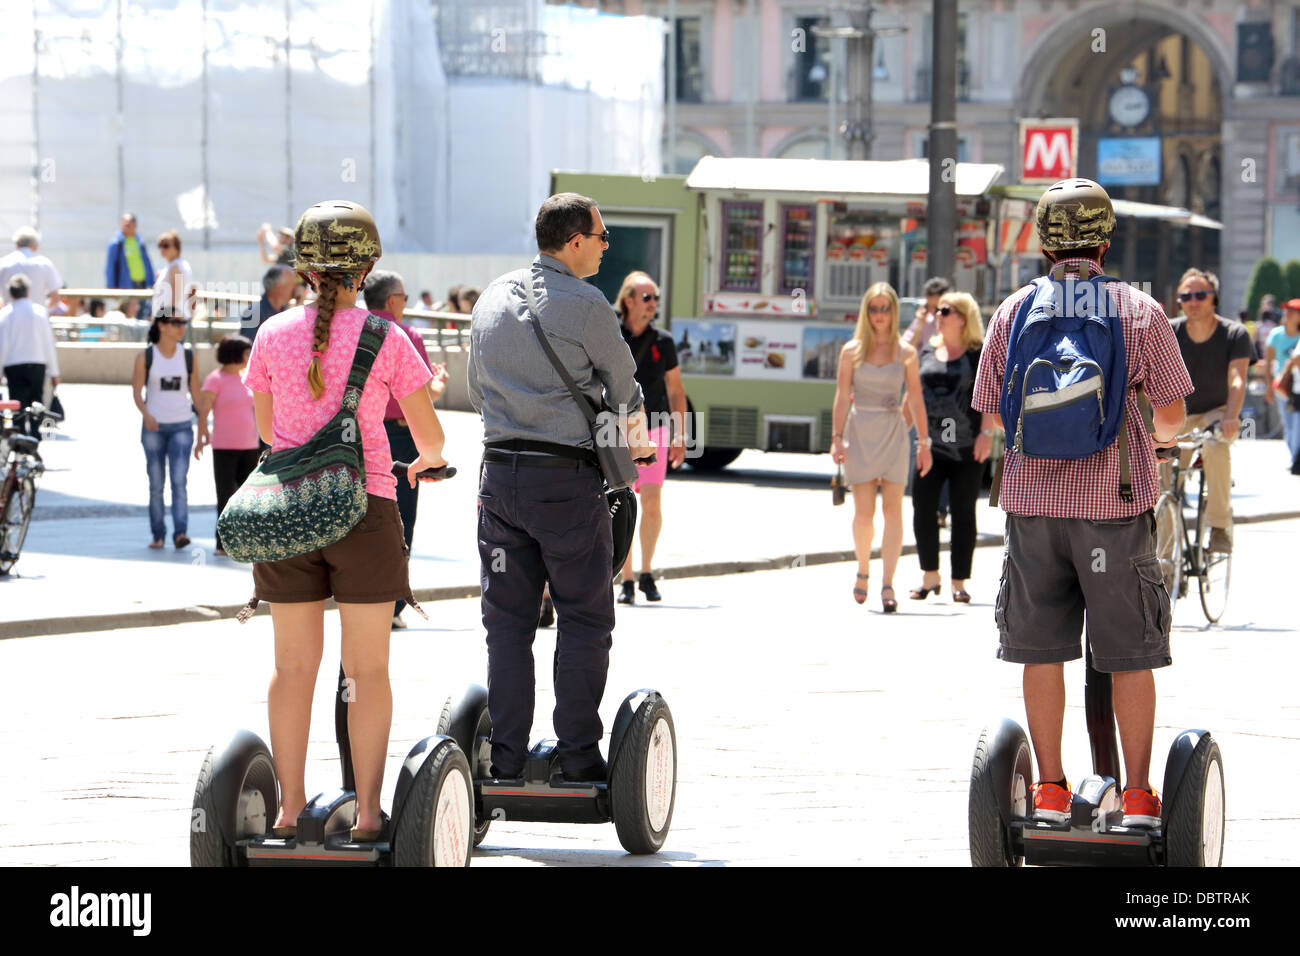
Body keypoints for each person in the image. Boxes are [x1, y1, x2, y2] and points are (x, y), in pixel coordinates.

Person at [972, 178, 1192, 830]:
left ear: (1042, 240)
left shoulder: (1013, 311)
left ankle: (1047, 789)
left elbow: (988, 420)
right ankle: (1141, 799)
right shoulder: (1137, 310)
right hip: (1114, 506)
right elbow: (1174, 416)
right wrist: (1152, 436)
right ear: (1107, 235)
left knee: (1041, 649)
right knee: (1130, 652)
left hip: (1033, 508)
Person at [245, 200, 445, 841]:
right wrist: (429, 462)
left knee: (292, 667)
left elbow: (268, 431)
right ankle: (365, 814)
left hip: (288, 515)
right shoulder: (388, 337)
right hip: (365, 509)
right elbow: (428, 434)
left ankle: (287, 807)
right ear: (368, 266)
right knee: (365, 672)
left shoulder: (272, 333)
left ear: (303, 266)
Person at [467, 192, 655, 783]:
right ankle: (576, 755)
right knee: (583, 617)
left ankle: (504, 759)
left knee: (507, 625)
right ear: (575, 241)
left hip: (498, 476)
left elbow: (476, 389)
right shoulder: (588, 303)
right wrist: (639, 449)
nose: (606, 246)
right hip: (565, 481)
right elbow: (624, 392)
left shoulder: (491, 297)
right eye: (602, 237)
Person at [830, 281, 931, 612]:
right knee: (863, 513)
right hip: (859, 431)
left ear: (893, 311)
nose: (879, 315)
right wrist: (836, 438)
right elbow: (842, 397)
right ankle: (863, 570)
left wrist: (925, 442)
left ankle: (888, 583)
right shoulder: (851, 351)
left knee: (893, 511)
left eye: (885, 308)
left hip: (893, 431)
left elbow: (915, 398)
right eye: (873, 308)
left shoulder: (906, 352)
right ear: (866, 312)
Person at [362, 268, 449, 629]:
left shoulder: (354, 329)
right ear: (393, 300)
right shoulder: (405, 334)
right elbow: (424, 395)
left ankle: (360, 592)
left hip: (360, 434)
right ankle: (393, 602)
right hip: (398, 437)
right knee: (401, 518)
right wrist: (441, 383)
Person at [909, 291, 995, 604]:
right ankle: (930, 576)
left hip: (967, 446)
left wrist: (987, 432)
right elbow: (914, 397)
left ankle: (959, 581)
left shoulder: (978, 354)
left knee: (962, 511)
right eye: (937, 310)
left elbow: (988, 393)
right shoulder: (927, 353)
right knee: (922, 507)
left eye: (945, 310)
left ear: (963, 317)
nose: (938, 315)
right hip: (930, 447)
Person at [1164, 268, 1251, 553]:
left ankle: (1218, 527)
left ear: (1214, 298)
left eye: (1201, 295)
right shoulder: (1170, 331)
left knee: (1215, 446)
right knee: (1161, 466)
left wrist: (1231, 417)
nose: (1193, 301)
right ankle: (1163, 552)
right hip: (1179, 414)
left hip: (1217, 412)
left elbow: (1237, 379)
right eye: (1186, 296)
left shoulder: (1234, 333)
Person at [615, 270, 687, 604]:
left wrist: (680, 434)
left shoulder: (664, 341)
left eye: (655, 298)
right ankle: (626, 578)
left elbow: (676, 390)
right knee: (622, 503)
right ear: (628, 300)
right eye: (646, 297)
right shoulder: (611, 334)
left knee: (652, 502)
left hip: (655, 426)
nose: (652, 304)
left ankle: (647, 572)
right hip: (615, 429)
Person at [131, 306, 207, 549]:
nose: (182, 327)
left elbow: (196, 393)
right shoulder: (146, 356)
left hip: (182, 425)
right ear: (161, 325)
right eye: (176, 322)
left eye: (184, 322)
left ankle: (180, 533)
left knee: (178, 480)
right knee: (155, 483)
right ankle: (158, 534)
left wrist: (203, 426)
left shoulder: (187, 355)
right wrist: (146, 414)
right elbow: (136, 392)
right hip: (154, 427)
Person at [195, 336, 259, 556]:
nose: (249, 357)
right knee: (225, 495)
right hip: (223, 446)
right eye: (246, 352)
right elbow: (203, 411)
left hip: (250, 445)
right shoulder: (215, 379)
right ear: (235, 354)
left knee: (248, 496)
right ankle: (222, 543)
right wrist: (201, 437)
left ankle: (246, 541)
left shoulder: (248, 377)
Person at [0, 276, 60, 439]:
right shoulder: (40, 312)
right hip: (37, 364)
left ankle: (18, 437)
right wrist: (54, 372)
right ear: (27, 292)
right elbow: (49, 344)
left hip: (13, 366)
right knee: (36, 403)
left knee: (17, 405)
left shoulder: (5, 314)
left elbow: (2, 346)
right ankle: (35, 436)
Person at [1265, 298, 1300, 464]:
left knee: (1298, 423)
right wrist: (1269, 388)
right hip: (1284, 386)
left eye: (1292, 311)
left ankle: (1295, 457)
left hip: (1298, 386)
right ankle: (1294, 456)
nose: (1288, 314)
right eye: (1287, 310)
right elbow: (1268, 362)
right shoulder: (1276, 334)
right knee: (1288, 423)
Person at [0, 227, 63, 309]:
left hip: (8, 318)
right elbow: (55, 296)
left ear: (16, 244)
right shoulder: (44, 263)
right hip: (37, 319)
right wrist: (44, 310)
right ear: (36, 246)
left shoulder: (3, 263)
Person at [243, 265, 297, 341]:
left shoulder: (285, 311)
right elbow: (247, 349)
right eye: (292, 285)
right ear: (279, 287)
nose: (295, 289)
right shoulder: (254, 313)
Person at [151, 230, 195, 321]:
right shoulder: (180, 265)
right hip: (174, 317)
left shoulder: (175, 266)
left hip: (171, 319)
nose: (162, 249)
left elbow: (177, 293)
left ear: (176, 247)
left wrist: (171, 315)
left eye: (166, 245)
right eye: (160, 245)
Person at [106, 213, 156, 290]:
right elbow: (110, 266)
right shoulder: (116, 243)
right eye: (125, 225)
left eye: (129, 225)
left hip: (143, 284)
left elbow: (147, 263)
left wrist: (152, 282)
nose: (127, 227)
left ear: (135, 225)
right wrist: (111, 286)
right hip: (125, 285)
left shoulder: (140, 242)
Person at [901, 276, 951, 347]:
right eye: (930, 306)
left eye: (939, 309)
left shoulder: (954, 322)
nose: (938, 314)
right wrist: (920, 325)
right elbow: (906, 349)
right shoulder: (923, 320)